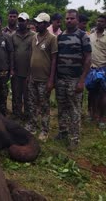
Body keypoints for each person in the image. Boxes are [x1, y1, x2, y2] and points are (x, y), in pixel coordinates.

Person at [55, 9, 92, 150]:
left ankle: (74, 138)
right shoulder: (61, 36)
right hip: (61, 79)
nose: (69, 21)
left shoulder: (82, 36)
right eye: (67, 18)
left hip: (75, 79)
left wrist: (82, 80)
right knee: (61, 107)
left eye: (71, 18)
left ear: (77, 20)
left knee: (74, 110)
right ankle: (63, 132)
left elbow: (88, 59)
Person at [24, 13, 58, 142]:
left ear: (47, 24)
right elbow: (32, 57)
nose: (36, 24)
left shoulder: (52, 38)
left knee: (44, 106)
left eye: (39, 23)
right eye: (36, 22)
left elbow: (54, 60)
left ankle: (44, 130)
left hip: (44, 79)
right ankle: (32, 126)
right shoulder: (34, 37)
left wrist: (51, 80)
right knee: (32, 104)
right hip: (33, 78)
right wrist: (28, 75)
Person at [11, 12, 35, 120]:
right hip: (16, 72)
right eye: (19, 20)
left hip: (28, 72)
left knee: (28, 96)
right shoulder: (13, 36)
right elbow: (11, 53)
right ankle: (17, 115)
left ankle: (28, 116)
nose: (21, 23)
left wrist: (31, 73)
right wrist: (11, 69)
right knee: (16, 95)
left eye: (23, 21)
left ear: (28, 22)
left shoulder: (33, 36)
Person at [88, 15, 106, 130]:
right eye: (98, 21)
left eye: (102, 21)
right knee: (91, 93)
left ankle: (101, 117)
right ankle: (92, 114)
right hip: (91, 69)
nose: (99, 23)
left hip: (103, 68)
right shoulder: (91, 36)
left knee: (103, 94)